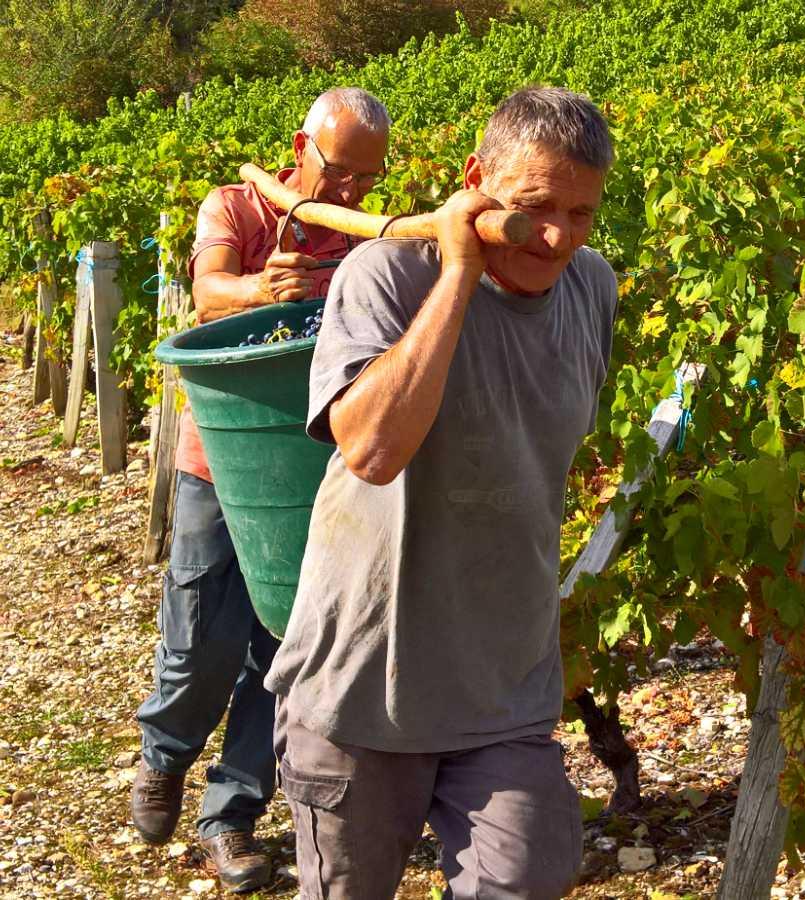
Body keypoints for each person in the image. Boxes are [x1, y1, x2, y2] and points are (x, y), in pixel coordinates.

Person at [266, 86, 617, 899]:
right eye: (534, 207)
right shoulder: (383, 274)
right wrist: (459, 271)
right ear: (475, 182)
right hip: (362, 684)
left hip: (505, 683)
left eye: (583, 212)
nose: (557, 236)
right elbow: (374, 448)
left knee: (527, 873)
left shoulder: (593, 287)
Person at [131, 87, 390, 894]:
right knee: (204, 630)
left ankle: (232, 817)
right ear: (300, 146)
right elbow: (209, 290)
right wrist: (257, 291)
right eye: (338, 172)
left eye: (365, 182)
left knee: (284, 649)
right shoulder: (237, 207)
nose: (349, 194)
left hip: (320, 468)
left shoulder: (363, 240)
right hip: (226, 458)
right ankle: (164, 754)